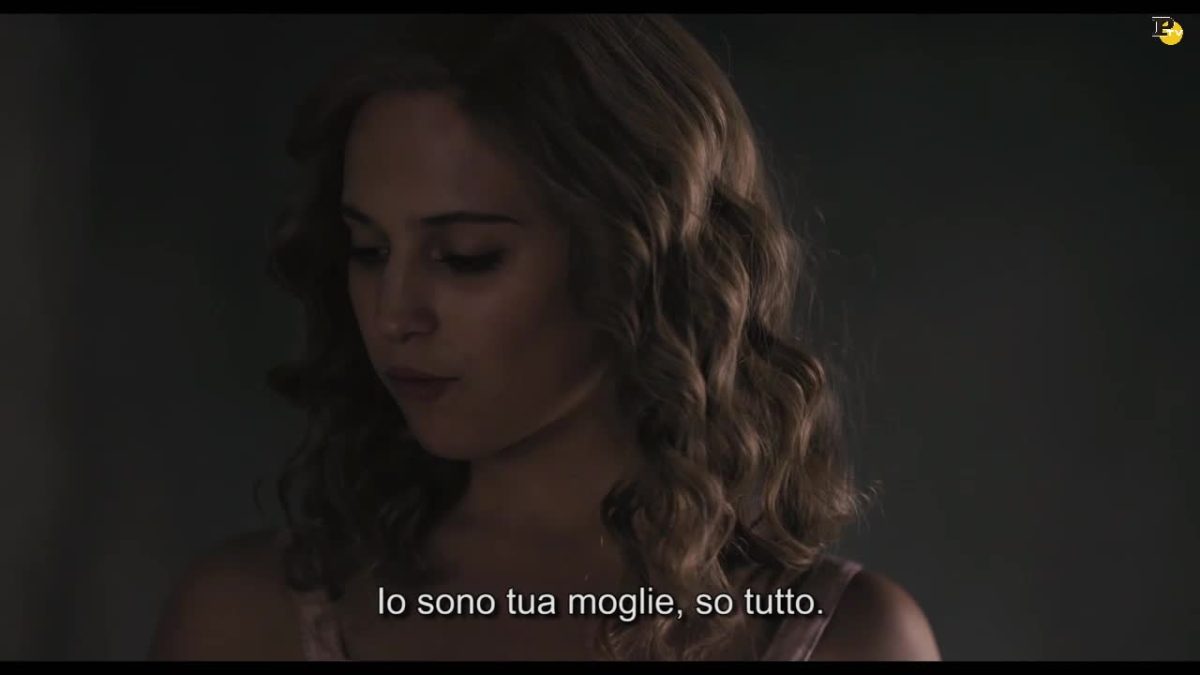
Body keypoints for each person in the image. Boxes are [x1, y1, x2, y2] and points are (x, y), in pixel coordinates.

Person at [148, 14, 940, 661]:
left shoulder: (840, 638)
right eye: (369, 249)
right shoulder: (244, 619)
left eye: (466, 256)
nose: (393, 315)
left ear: (637, 260)